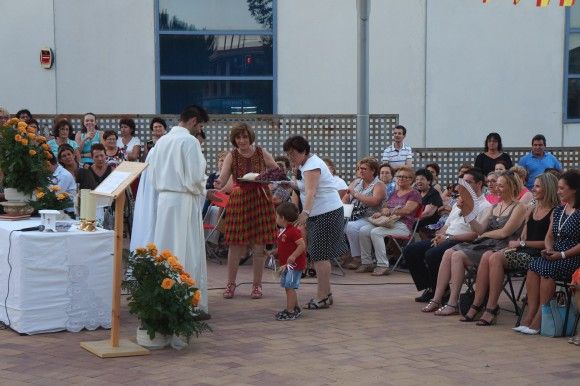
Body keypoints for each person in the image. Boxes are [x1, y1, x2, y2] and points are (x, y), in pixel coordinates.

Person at [461, 173, 559, 326]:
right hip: (522, 251)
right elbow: (523, 238)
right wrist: (520, 244)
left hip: (536, 255)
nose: (533, 189)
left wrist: (522, 245)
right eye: (534, 185)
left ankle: (491, 307)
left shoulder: (554, 212)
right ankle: (479, 303)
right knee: (487, 255)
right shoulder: (532, 210)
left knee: (494, 257)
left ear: (548, 189)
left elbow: (548, 244)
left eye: (538, 186)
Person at [422, 172, 527, 315]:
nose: (496, 188)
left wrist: (484, 234)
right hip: (484, 244)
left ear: (512, 187)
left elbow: (504, 233)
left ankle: (452, 303)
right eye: (497, 185)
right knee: (449, 252)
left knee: (457, 255)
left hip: (500, 247)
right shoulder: (494, 207)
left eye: (501, 186)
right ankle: (439, 299)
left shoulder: (519, 207)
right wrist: (466, 211)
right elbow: (478, 229)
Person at [148, 105, 211, 313]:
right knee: (187, 248)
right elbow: (194, 176)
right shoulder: (190, 141)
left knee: (166, 247)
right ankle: (186, 300)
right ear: (193, 121)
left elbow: (153, 174)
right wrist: (205, 187)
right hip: (184, 200)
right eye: (199, 125)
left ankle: (165, 295)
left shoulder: (161, 141)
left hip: (165, 199)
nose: (199, 129)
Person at [405, 168, 490, 303]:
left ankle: (440, 291)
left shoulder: (485, 206)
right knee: (411, 250)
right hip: (447, 237)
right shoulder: (459, 202)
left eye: (469, 182)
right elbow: (447, 224)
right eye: (463, 182)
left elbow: (476, 234)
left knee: (432, 254)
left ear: (479, 184)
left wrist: (448, 238)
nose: (464, 186)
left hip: (462, 241)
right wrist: (439, 235)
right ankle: (433, 288)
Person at [215, 123, 278, 300]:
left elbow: (276, 170)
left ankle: (257, 286)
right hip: (239, 199)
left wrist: (263, 178)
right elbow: (223, 176)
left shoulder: (260, 152)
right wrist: (218, 184)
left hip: (260, 198)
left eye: (244, 137)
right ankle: (230, 284)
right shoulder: (231, 155)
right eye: (238, 137)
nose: (241, 140)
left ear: (250, 137)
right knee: (235, 244)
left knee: (259, 244)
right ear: (234, 139)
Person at [283, 135, 346, 309]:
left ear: (303, 151)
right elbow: (304, 187)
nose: (290, 157)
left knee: (320, 256)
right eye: (288, 154)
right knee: (319, 255)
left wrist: (305, 213)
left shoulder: (311, 166)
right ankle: (326, 294)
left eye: (293, 153)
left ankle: (322, 296)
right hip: (322, 213)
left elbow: (311, 192)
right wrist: (290, 184)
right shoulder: (306, 164)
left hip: (326, 213)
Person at [516, 170, 580, 335]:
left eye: (562, 188)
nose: (558, 191)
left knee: (547, 270)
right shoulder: (559, 210)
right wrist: (549, 248)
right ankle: (530, 313)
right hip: (556, 253)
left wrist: (562, 254)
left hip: (572, 256)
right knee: (533, 266)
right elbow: (550, 235)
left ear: (573, 189)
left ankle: (540, 317)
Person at [359, 166, 421, 276]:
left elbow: (407, 210)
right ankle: (367, 262)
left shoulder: (414, 193)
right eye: (399, 176)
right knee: (363, 230)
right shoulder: (394, 193)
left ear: (411, 179)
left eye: (404, 177)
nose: (401, 179)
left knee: (376, 232)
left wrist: (390, 211)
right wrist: (383, 211)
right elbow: (385, 207)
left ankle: (383, 265)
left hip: (403, 226)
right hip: (388, 222)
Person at [342, 157, 386, 271]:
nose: (360, 171)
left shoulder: (378, 185)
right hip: (353, 215)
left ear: (373, 171)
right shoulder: (356, 182)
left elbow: (375, 201)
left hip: (370, 217)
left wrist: (356, 195)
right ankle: (344, 255)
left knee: (351, 227)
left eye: (364, 169)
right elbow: (346, 198)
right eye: (359, 168)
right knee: (336, 224)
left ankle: (358, 258)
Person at [274, 202, 307, 321]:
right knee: (289, 286)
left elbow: (302, 245)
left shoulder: (293, 231)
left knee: (289, 286)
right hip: (286, 265)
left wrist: (293, 256)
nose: (276, 218)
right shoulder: (284, 231)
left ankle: (290, 311)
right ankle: (295, 307)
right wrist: (273, 252)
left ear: (283, 218)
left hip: (294, 266)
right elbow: (284, 246)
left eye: (277, 216)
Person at [414, 168, 443, 238]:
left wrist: (411, 219)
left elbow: (427, 213)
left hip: (429, 223)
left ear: (429, 181)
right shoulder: (416, 192)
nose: (419, 181)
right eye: (417, 179)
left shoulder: (433, 193)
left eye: (422, 179)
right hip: (417, 221)